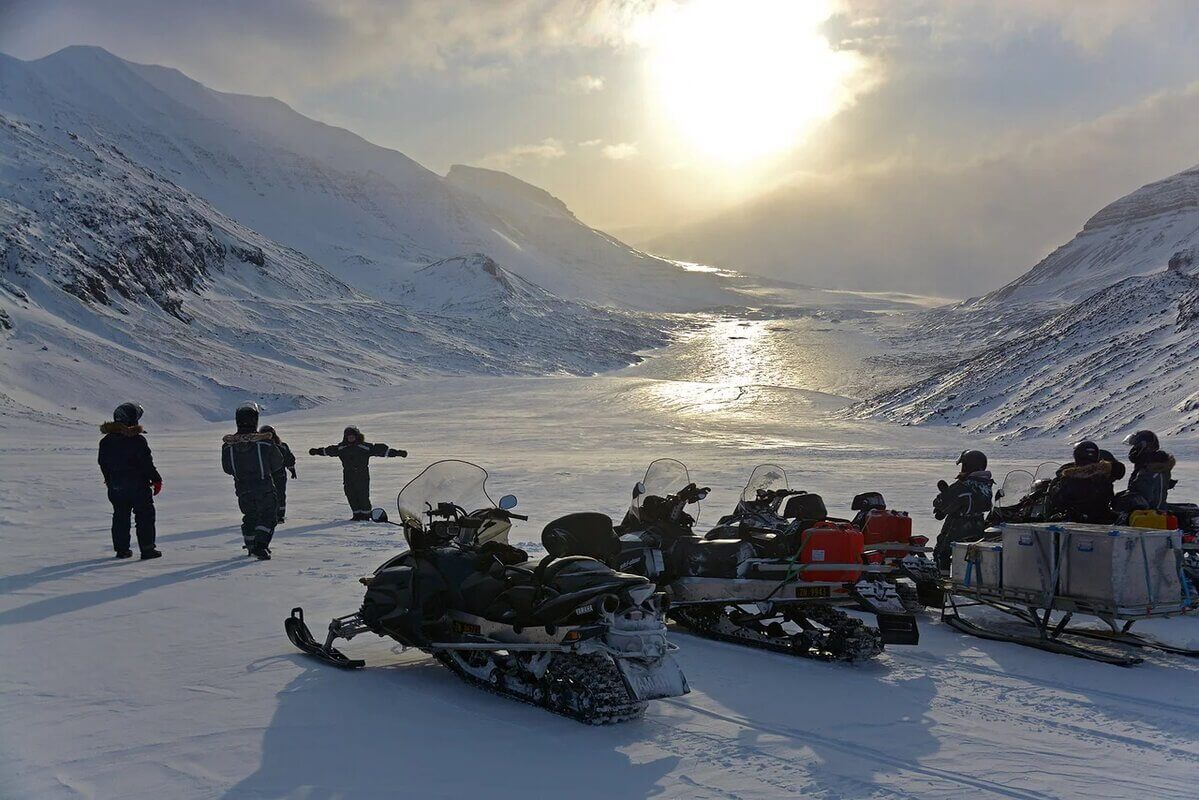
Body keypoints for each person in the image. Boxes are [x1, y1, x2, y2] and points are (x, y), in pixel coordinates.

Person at [98, 402, 162, 560]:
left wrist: (109, 480)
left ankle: (122, 550)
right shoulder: (137, 441)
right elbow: (146, 463)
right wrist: (156, 479)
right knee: (145, 515)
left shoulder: (105, 441)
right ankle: (147, 549)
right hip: (138, 486)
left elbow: (102, 463)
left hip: (116, 487)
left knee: (120, 516)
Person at [221, 402, 284, 559]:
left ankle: (250, 544)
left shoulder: (228, 445)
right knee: (269, 515)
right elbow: (277, 462)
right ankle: (260, 546)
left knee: (250, 515)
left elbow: (227, 468)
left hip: (242, 487)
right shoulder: (264, 442)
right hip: (264, 485)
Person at [309, 426, 406, 519]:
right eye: (348, 436)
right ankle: (356, 514)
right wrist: (316, 451)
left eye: (352, 436)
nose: (350, 438)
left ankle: (366, 515)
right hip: (348, 476)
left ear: (356, 436)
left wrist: (398, 453)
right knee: (350, 494)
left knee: (363, 495)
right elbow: (329, 451)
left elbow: (381, 451)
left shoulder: (364, 447)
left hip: (362, 476)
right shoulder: (342, 448)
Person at [932, 449, 994, 571]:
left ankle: (941, 581)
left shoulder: (964, 485)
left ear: (968, 465)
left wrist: (942, 498)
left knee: (941, 553)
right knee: (970, 553)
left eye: (963, 465)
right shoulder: (986, 484)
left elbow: (944, 502)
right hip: (978, 524)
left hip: (959, 525)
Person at [1048, 440, 1125, 523]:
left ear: (1077, 456)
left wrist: (1055, 490)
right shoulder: (1103, 476)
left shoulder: (1069, 477)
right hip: (1102, 518)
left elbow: (1059, 501)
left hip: (1076, 522)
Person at [1124, 430, 1176, 510]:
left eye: (1136, 447)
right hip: (1141, 512)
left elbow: (1155, 500)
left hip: (1150, 515)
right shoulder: (1144, 464)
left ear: (1144, 447)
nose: (1134, 450)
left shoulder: (1155, 469)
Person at [260, 425, 297, 523]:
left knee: (272, 495)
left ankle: (277, 516)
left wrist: (291, 468)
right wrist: (291, 468)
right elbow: (289, 458)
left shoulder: (279, 446)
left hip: (269, 476)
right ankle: (276, 516)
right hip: (270, 475)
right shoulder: (281, 446)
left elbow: (289, 458)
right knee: (277, 495)